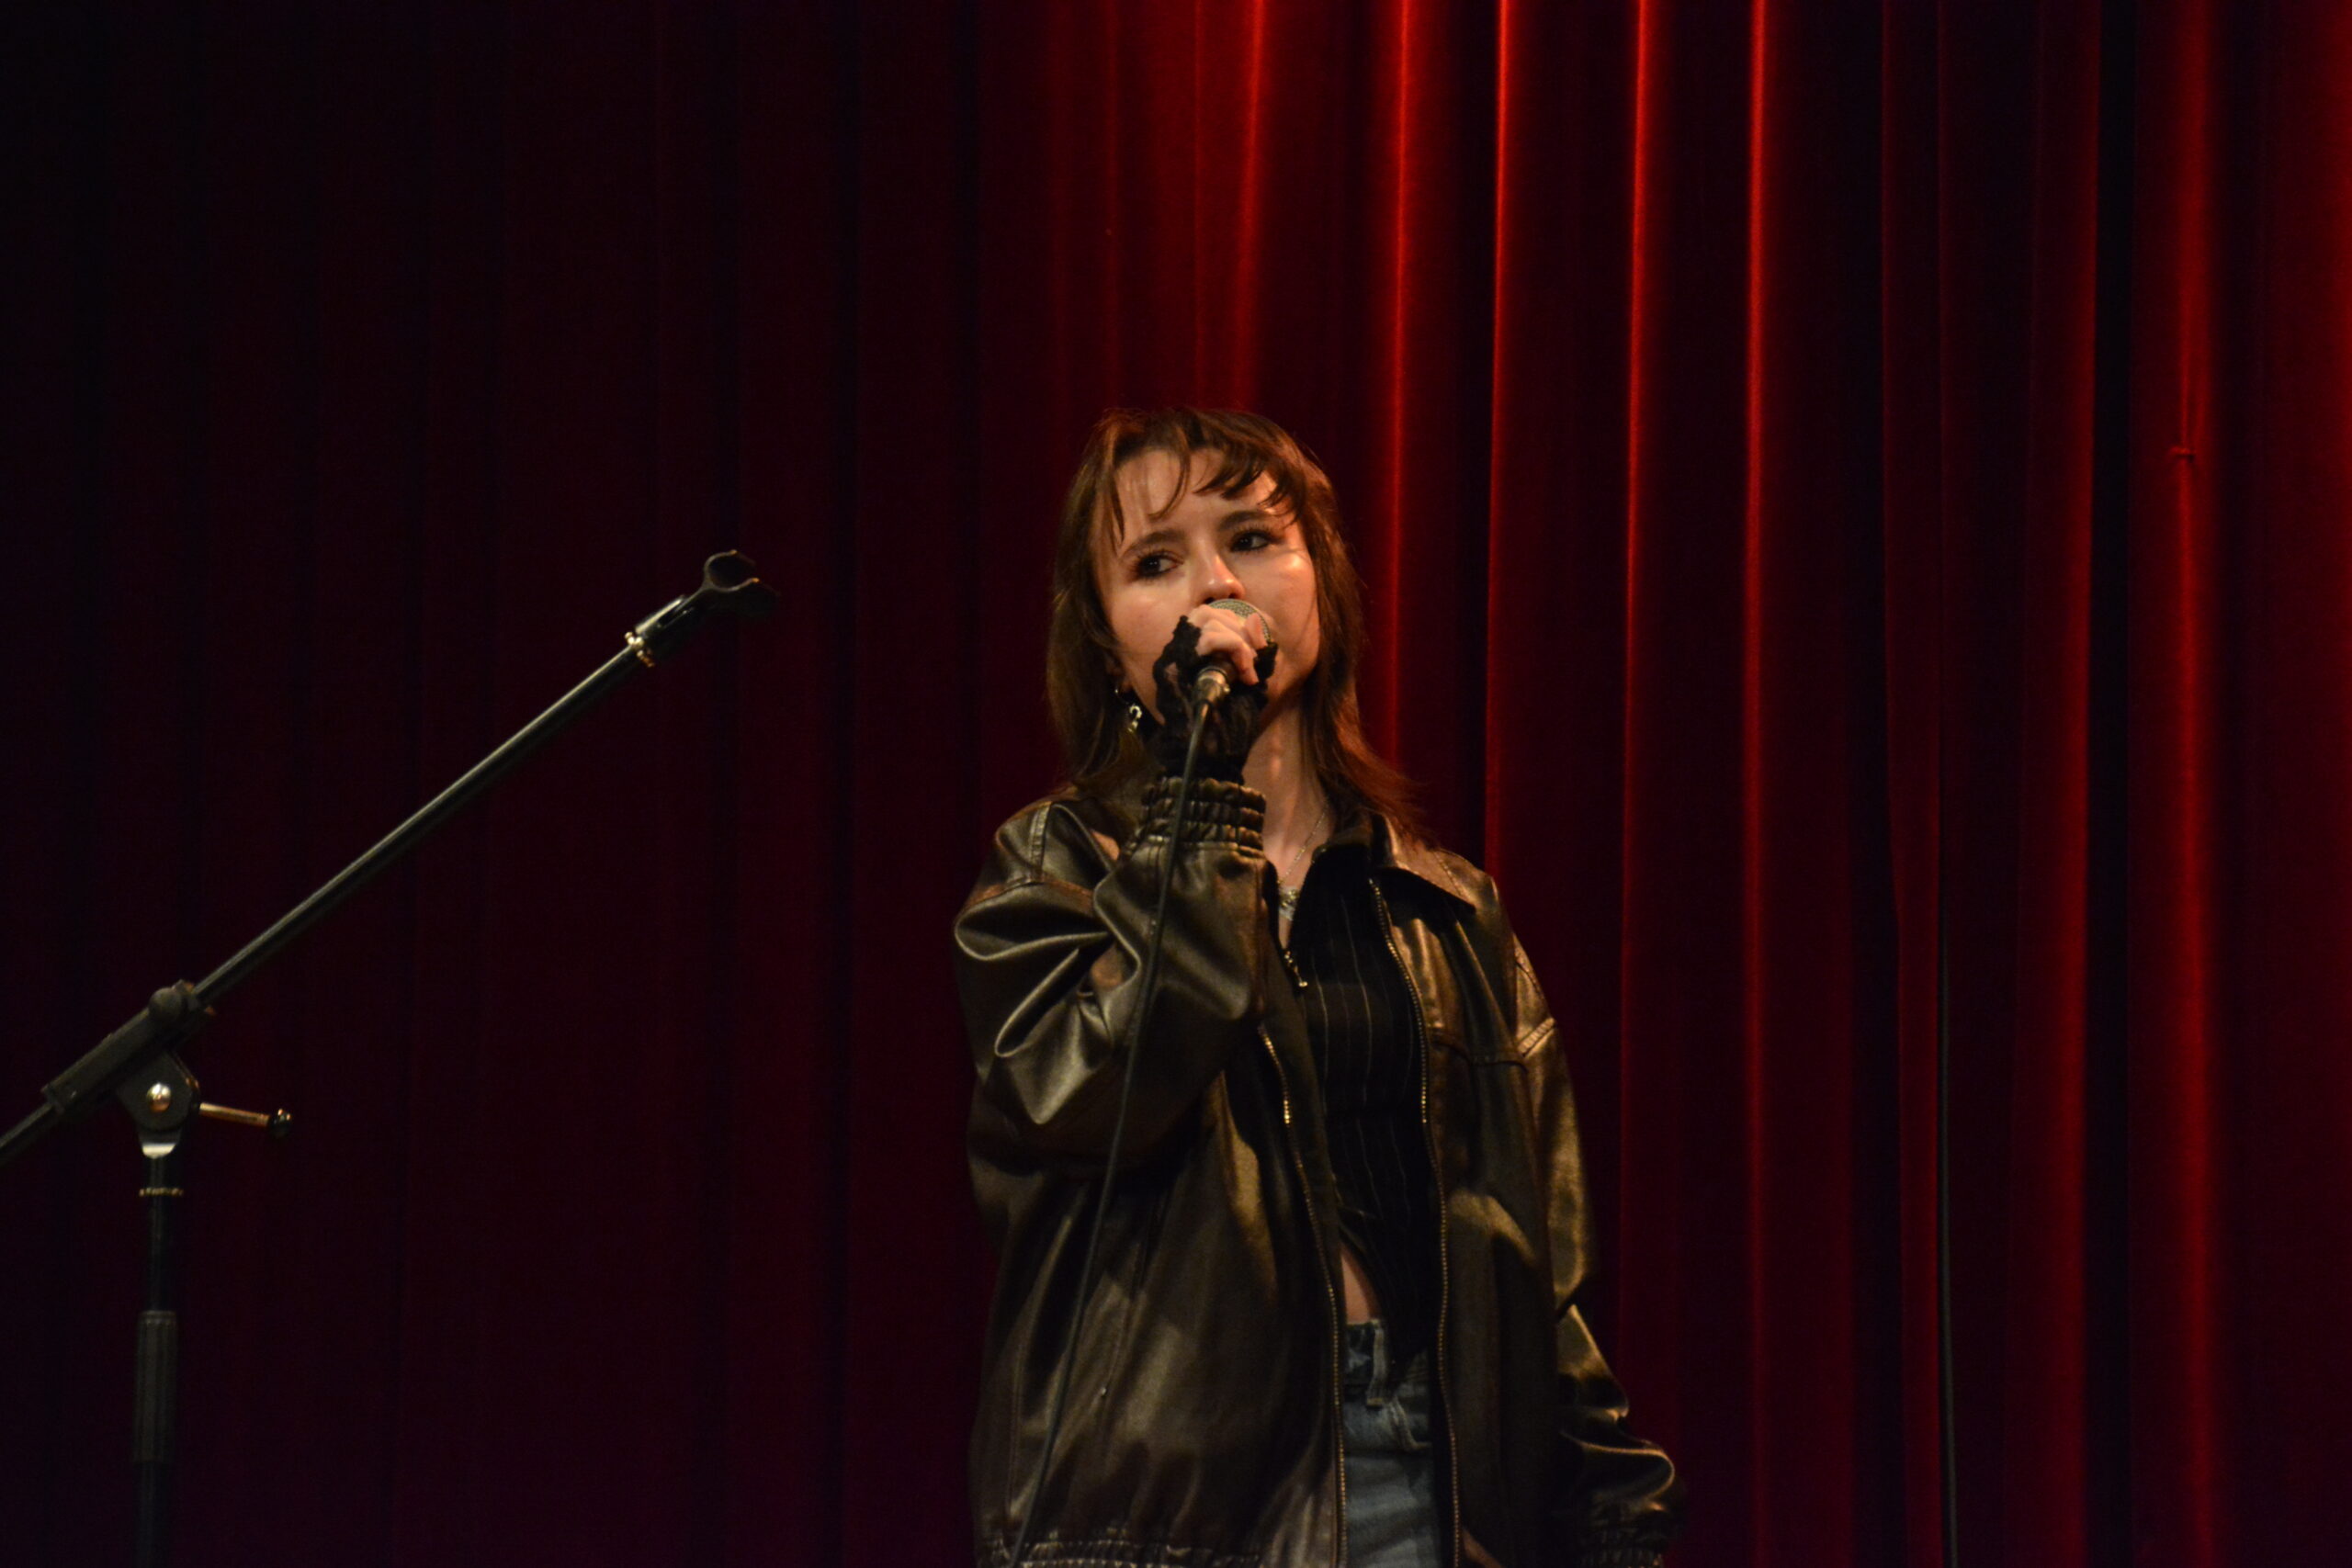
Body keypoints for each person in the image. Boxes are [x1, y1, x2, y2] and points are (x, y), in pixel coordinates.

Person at [955, 408, 1683, 1567]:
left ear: (1322, 582)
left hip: (1423, 1475)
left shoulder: (1441, 906)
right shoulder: (1057, 867)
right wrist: (1203, 800)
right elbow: (1089, 1104)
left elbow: (1537, 1260)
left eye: (1252, 539)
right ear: (1106, 642)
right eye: (1156, 561)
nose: (1214, 584)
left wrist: (1615, 1517)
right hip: (1163, 1516)